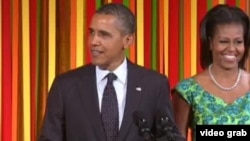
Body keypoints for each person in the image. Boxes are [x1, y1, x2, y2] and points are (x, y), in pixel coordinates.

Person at [39, 3, 183, 141]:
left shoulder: (154, 84)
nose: (93, 41)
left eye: (104, 34)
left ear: (127, 40)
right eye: (91, 32)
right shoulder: (65, 86)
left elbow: (168, 136)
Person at [171, 4, 250, 141]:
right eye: (224, 41)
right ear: (210, 43)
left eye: (238, 42)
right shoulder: (188, 90)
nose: (232, 49)